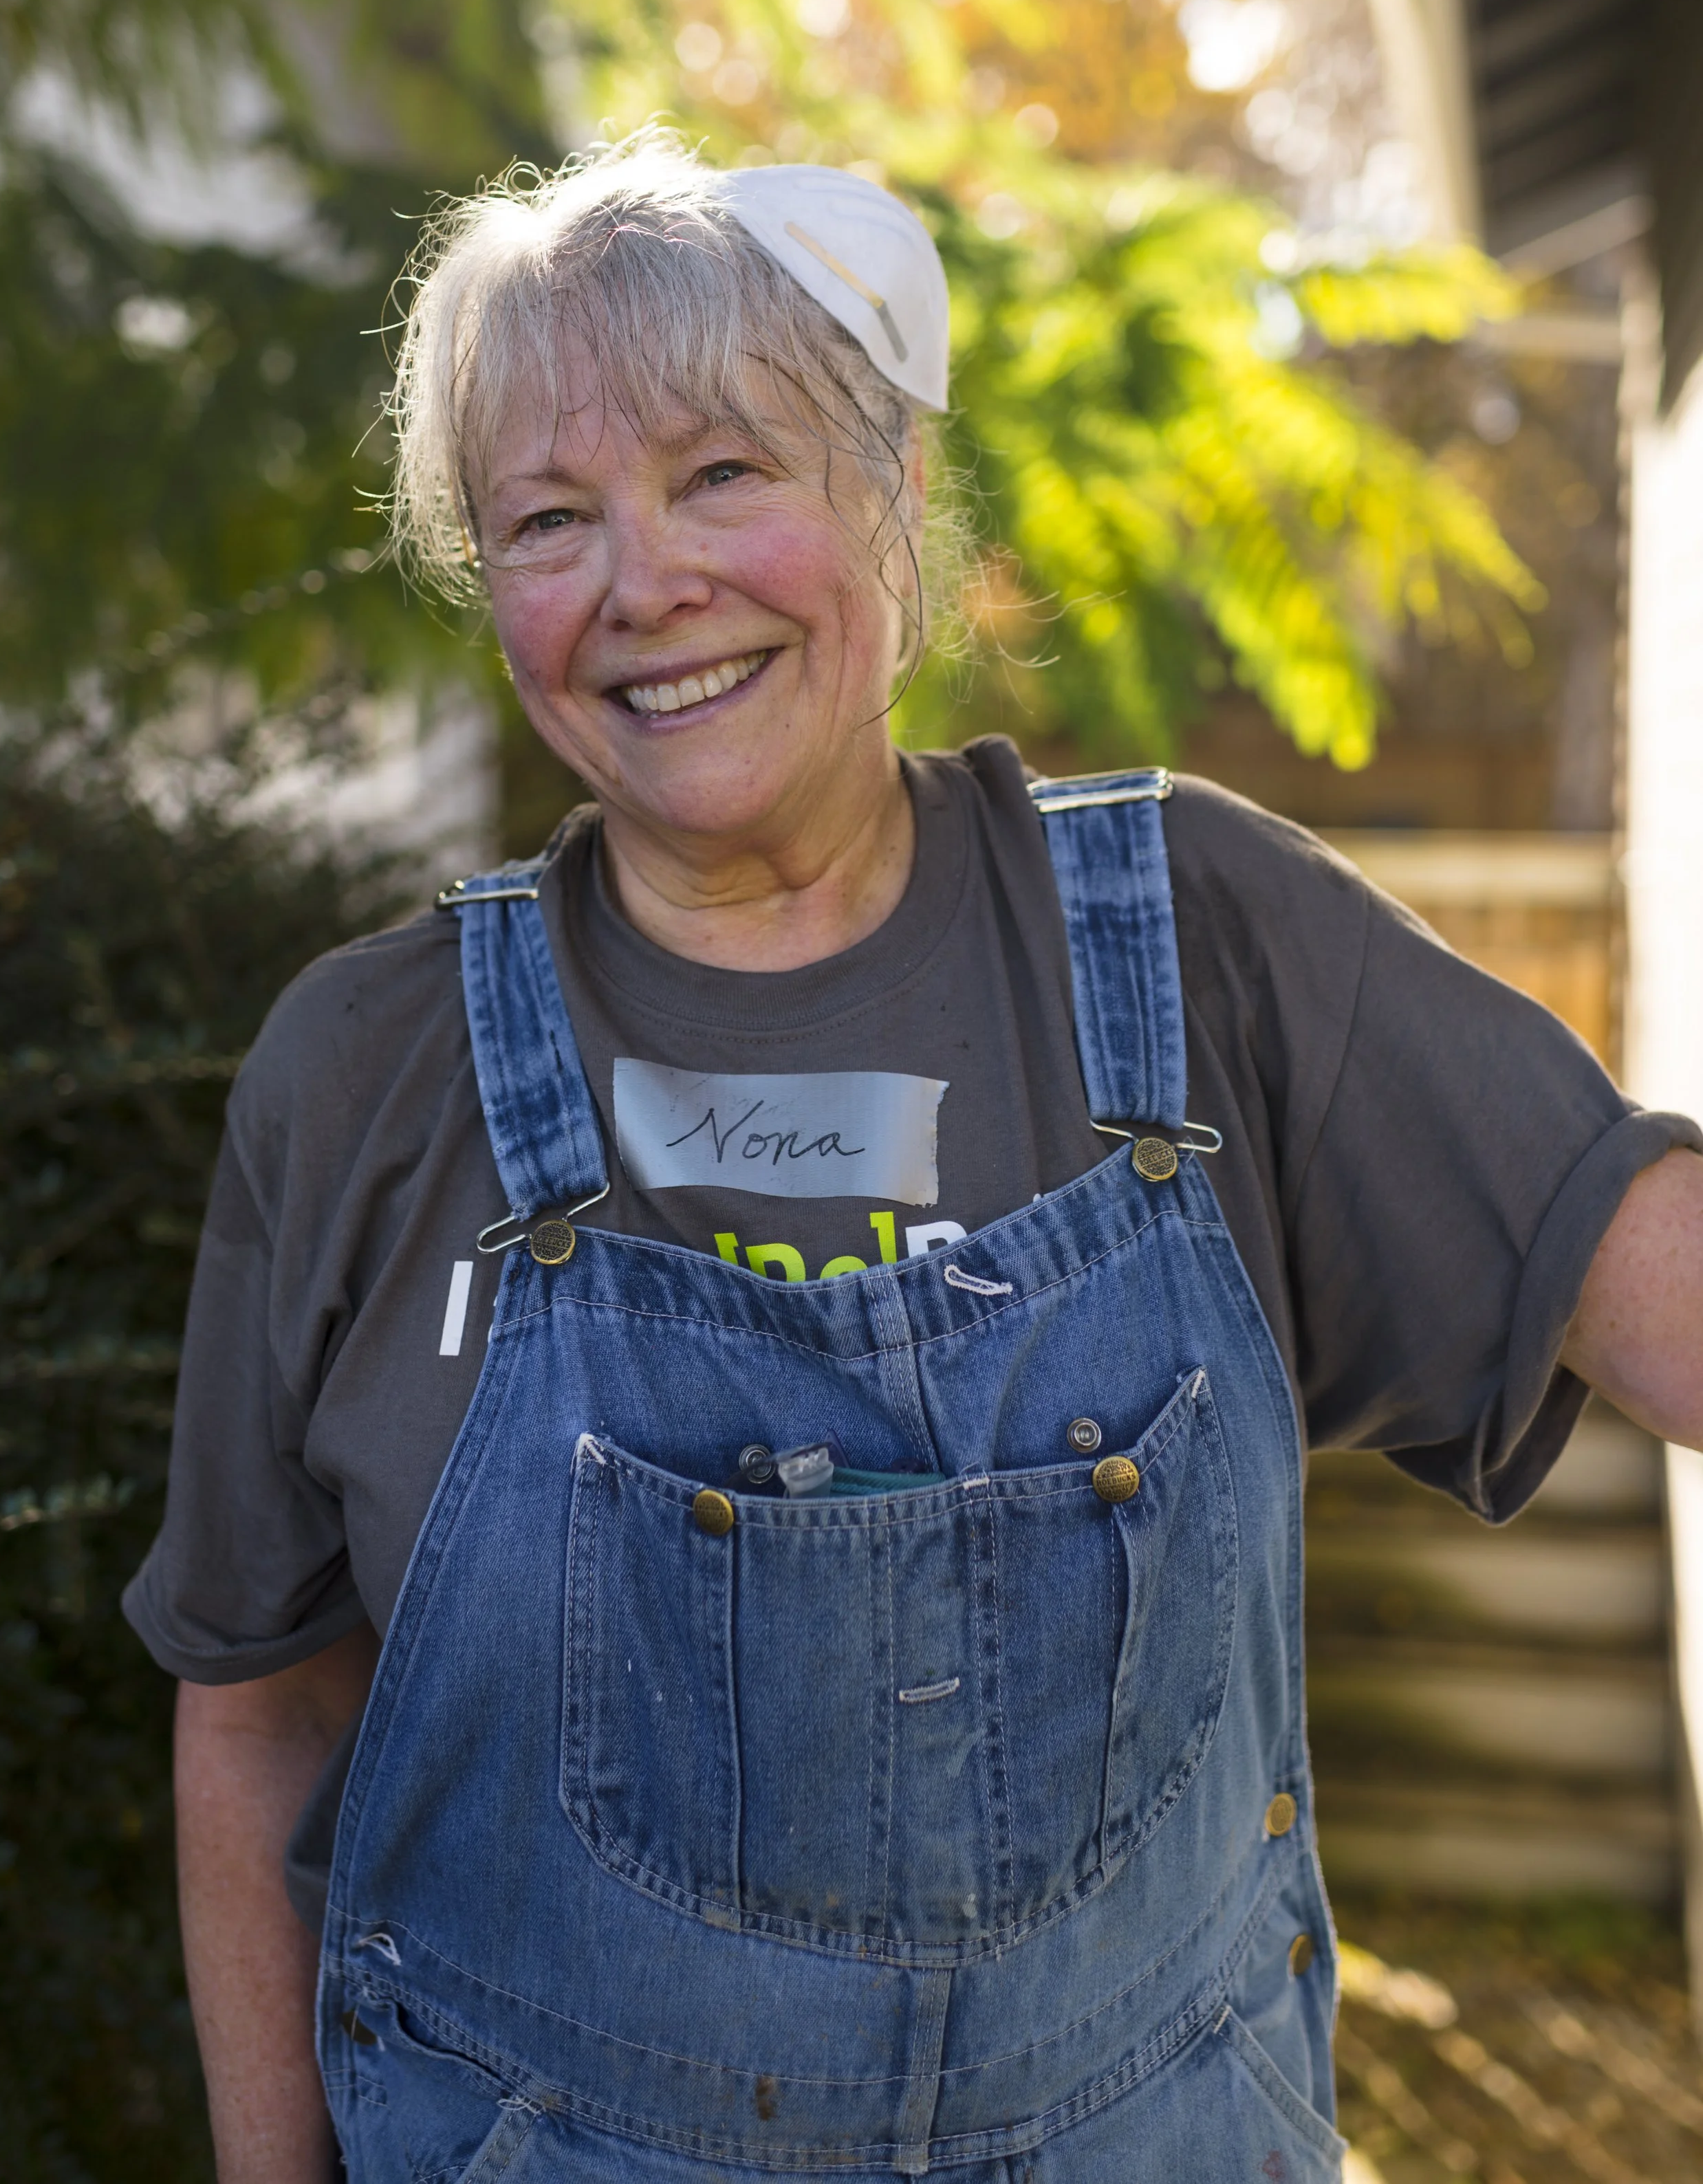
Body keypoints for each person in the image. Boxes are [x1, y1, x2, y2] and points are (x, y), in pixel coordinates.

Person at [127, 139, 1703, 2184]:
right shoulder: (364, 1071)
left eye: (722, 472)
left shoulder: (1197, 942)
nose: (642, 582)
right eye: (547, 518)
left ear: (894, 496)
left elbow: (1654, 1285)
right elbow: (260, 1710)